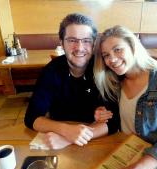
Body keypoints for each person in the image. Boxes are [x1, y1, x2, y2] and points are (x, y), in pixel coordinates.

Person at [93, 25, 157, 169]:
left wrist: (143, 166)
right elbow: (115, 116)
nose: (112, 59)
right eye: (106, 55)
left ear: (133, 46)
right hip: (133, 148)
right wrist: (101, 112)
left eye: (117, 49)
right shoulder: (114, 82)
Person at [24, 13, 119, 149]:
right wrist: (65, 131)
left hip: (95, 140)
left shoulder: (103, 69)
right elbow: (31, 118)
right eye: (72, 40)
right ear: (61, 43)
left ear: (93, 44)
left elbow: (114, 120)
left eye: (86, 40)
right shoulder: (51, 71)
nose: (79, 47)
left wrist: (69, 139)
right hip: (58, 138)